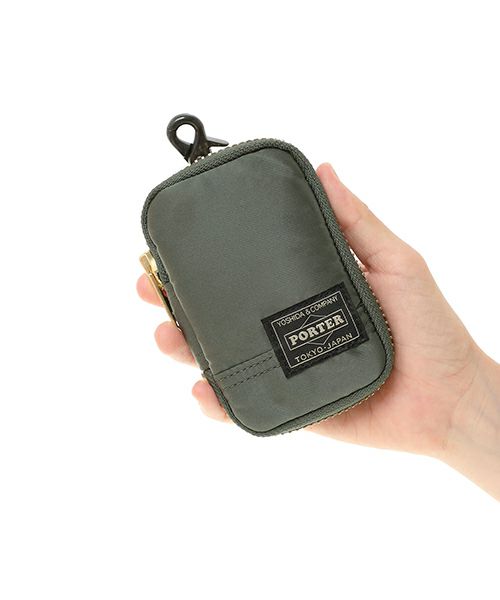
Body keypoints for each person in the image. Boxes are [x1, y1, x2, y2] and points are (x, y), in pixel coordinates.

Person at [137, 163, 500, 500]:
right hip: (362, 357)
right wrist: (459, 408)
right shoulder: (270, 168)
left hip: (298, 391)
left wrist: (458, 406)